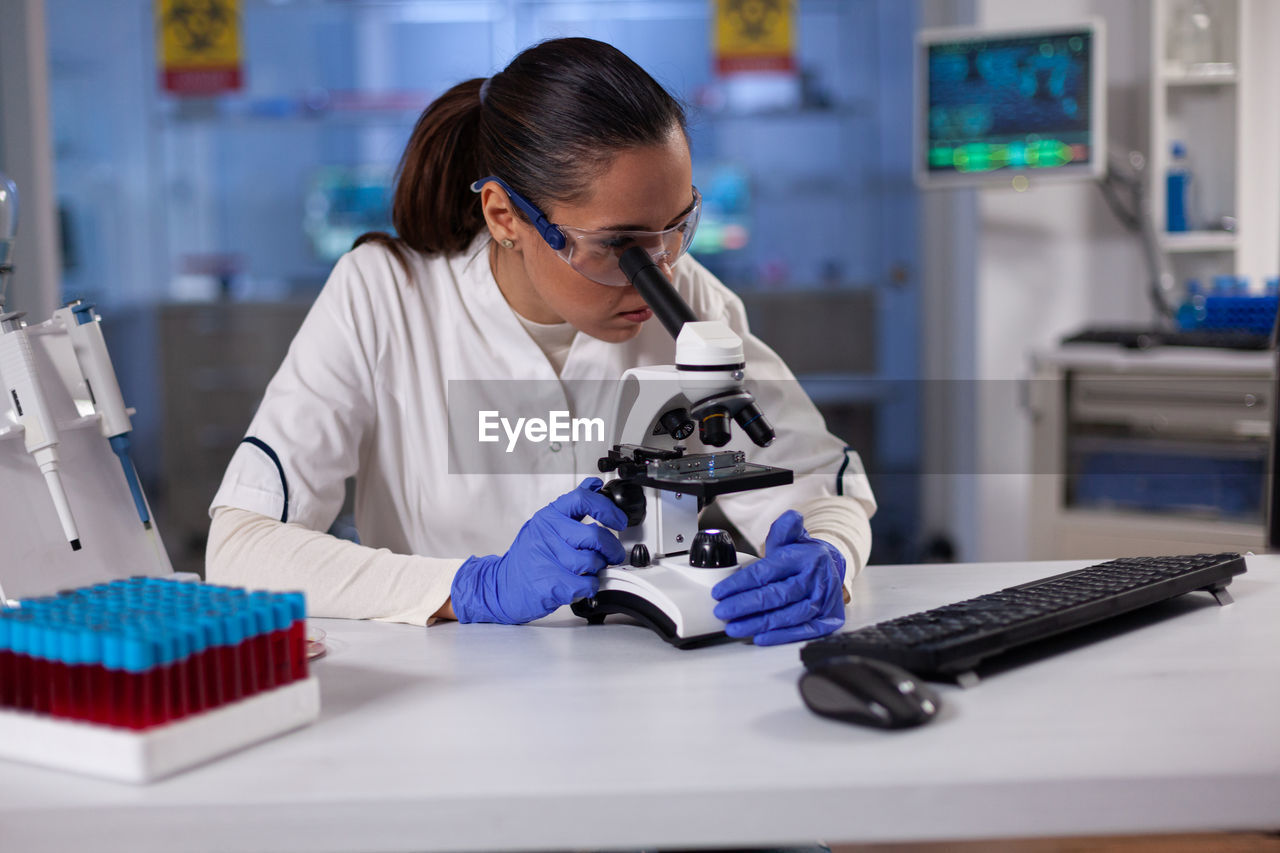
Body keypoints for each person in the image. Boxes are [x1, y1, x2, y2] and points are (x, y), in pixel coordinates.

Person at [205, 37, 876, 646]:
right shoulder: (383, 296)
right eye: (620, 247)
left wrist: (829, 555)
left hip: (646, 709)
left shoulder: (689, 298)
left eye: (676, 228)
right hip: (442, 709)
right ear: (505, 216)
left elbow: (820, 483)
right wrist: (473, 585)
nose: (659, 273)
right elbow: (239, 547)